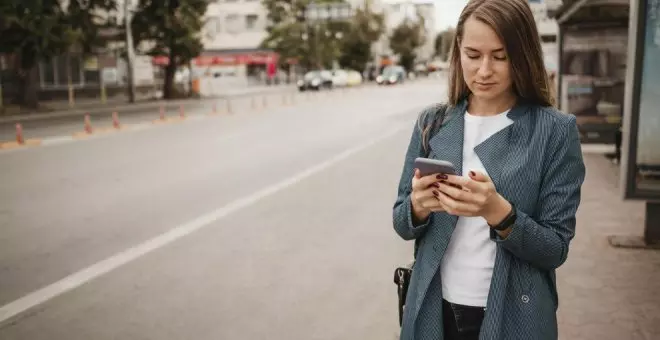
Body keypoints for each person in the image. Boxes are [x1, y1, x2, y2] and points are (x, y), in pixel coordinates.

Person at [392, 0, 586, 339]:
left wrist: (499, 213)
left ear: (523, 55)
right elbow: (401, 222)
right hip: (434, 309)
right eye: (473, 55)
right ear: (458, 51)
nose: (484, 71)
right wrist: (418, 207)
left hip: (514, 314)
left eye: (500, 56)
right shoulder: (433, 123)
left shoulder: (555, 131)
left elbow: (555, 249)